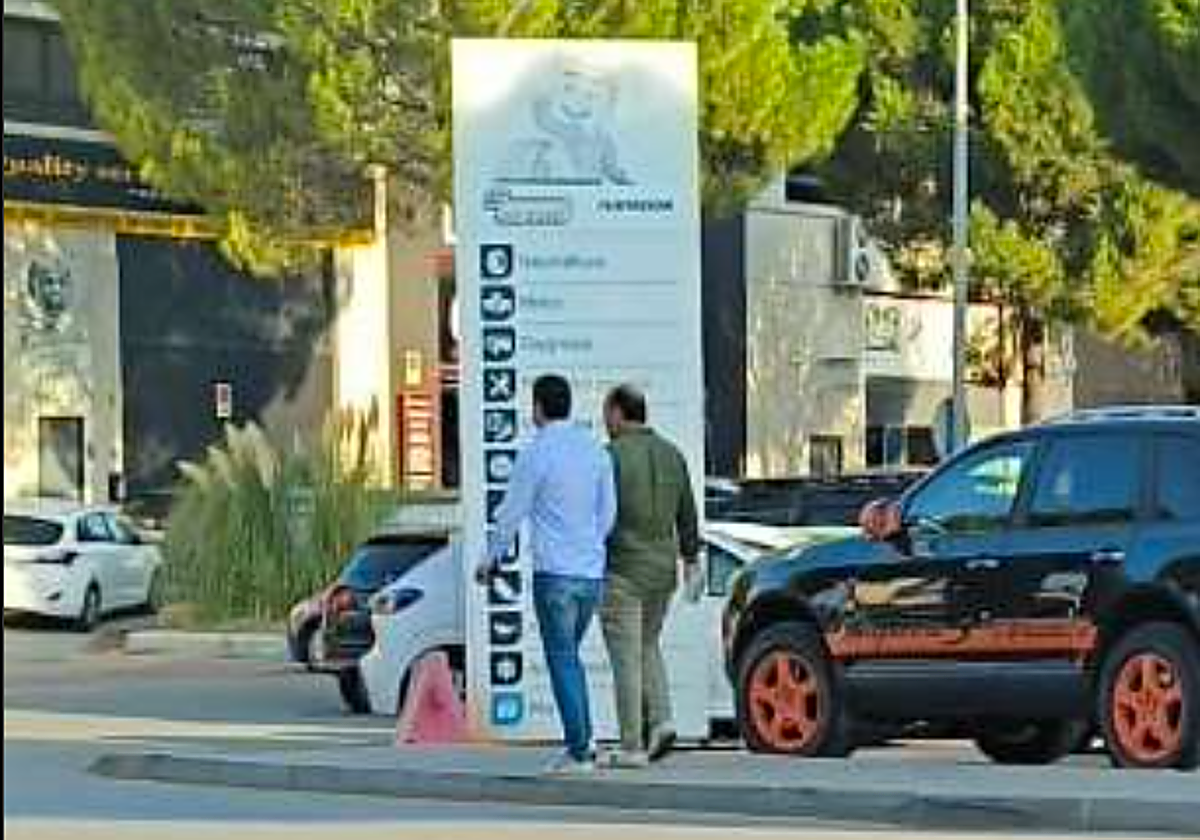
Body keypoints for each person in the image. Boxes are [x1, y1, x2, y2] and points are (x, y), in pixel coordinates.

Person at [479, 374, 617, 774]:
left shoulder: (536, 453)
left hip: (554, 574)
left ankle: (580, 750)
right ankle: (583, 741)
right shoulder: (595, 451)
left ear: (538, 407)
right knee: (569, 657)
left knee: (562, 659)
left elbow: (511, 513)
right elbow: (608, 514)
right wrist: (590, 546)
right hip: (590, 575)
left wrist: (490, 559)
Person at [599, 384, 701, 768]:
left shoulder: (611, 456)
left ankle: (631, 746)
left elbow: (599, 515)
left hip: (622, 569)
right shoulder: (673, 454)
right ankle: (662, 720)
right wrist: (690, 557)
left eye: (606, 413)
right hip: (663, 571)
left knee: (625, 658)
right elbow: (688, 514)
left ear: (618, 413)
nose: (604, 421)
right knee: (647, 644)